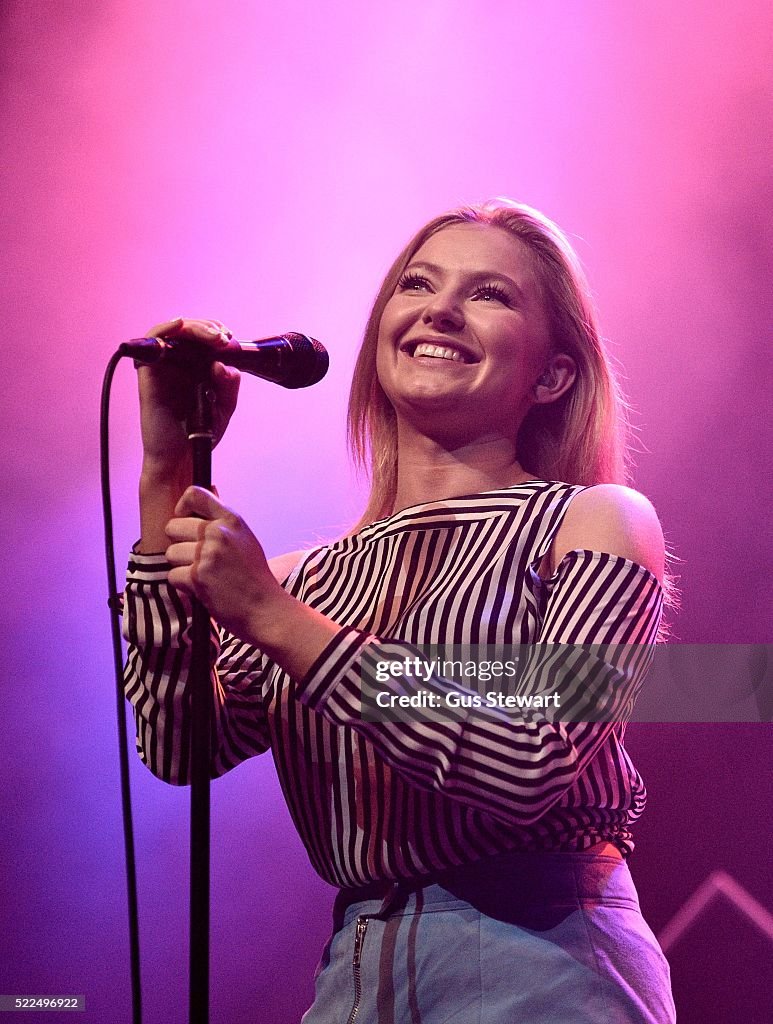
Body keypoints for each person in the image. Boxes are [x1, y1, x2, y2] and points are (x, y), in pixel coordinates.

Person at [123, 199, 677, 1022]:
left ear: (551, 375)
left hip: (542, 959)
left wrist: (279, 623)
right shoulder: (303, 579)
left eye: (489, 294)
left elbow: (530, 762)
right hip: (353, 975)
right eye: (418, 284)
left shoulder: (596, 520)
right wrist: (167, 467)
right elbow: (178, 745)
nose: (440, 309)